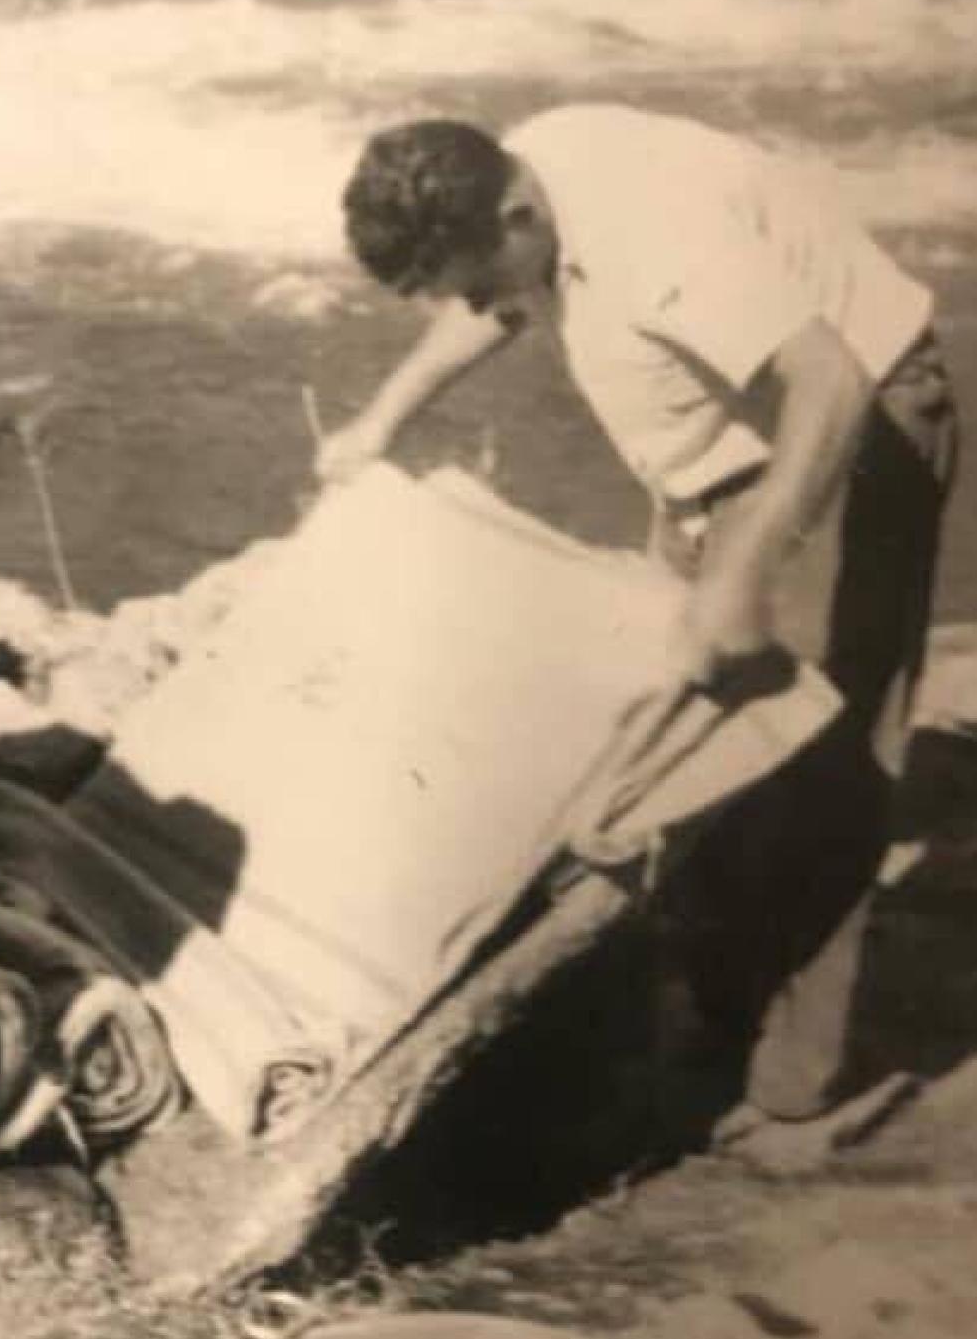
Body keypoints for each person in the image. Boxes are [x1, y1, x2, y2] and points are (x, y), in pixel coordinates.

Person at [322, 103, 959, 1144]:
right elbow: (501, 300)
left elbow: (827, 382)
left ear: (518, 214)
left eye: (481, 278)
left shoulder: (656, 237)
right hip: (737, 449)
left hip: (859, 418)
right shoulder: (518, 176)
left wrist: (742, 567)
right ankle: (710, 1014)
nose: (484, 305)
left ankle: (794, 1094)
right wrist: (378, 419)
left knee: (824, 746)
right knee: (697, 725)